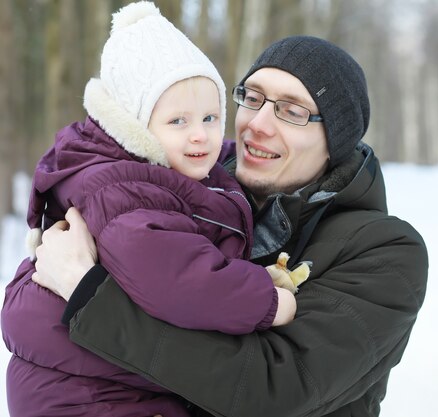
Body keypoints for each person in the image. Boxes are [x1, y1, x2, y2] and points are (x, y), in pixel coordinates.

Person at [31, 34, 429, 417]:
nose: (258, 123)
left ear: (336, 141)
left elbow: (273, 388)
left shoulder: (385, 252)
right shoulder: (184, 187)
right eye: (252, 98)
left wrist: (87, 294)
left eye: (291, 111)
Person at [1, 2, 300, 416]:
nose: (200, 135)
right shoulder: (124, 192)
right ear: (135, 126)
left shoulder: (163, 173)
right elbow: (180, 283)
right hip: (87, 394)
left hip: (106, 379)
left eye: (211, 117)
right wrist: (265, 300)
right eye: (178, 122)